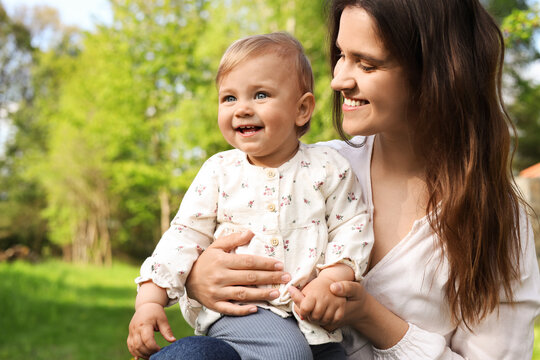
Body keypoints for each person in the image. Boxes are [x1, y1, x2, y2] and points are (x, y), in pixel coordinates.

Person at [140, 0, 540, 359]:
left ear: (436, 73)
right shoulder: (318, 169)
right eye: (341, 56)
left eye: (366, 64)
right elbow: (193, 236)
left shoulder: (498, 222)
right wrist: (197, 278)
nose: (338, 80)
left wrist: (369, 315)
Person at [127, 32, 375, 360]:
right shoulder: (219, 171)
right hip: (243, 312)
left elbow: (352, 225)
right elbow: (184, 236)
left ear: (302, 109)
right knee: (286, 353)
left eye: (260, 95)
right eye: (228, 98)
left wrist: (332, 277)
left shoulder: (328, 168)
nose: (242, 109)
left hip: (315, 321)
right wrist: (149, 300)